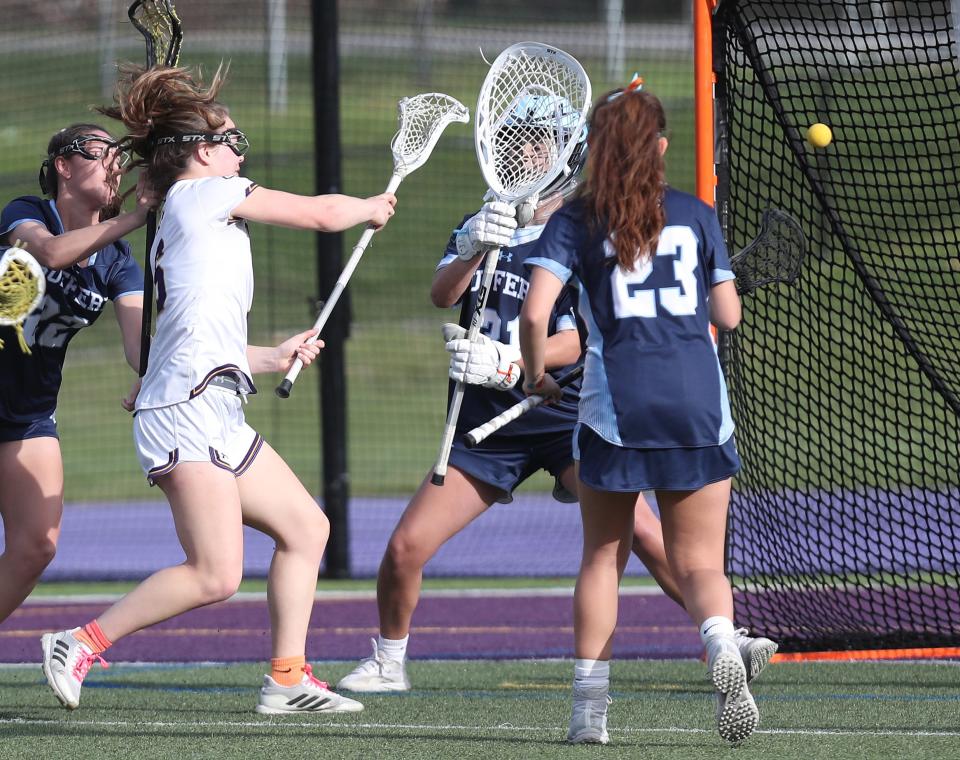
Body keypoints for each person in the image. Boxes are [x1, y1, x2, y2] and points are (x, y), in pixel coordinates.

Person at [335, 95, 774, 697]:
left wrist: (514, 361)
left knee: (644, 535)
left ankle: (723, 635)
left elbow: (579, 336)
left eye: (538, 138)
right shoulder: (486, 221)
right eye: (515, 136)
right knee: (407, 545)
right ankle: (389, 660)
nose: (524, 148)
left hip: (564, 414)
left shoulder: (587, 227)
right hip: (489, 423)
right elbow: (443, 295)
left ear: (569, 150)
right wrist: (469, 245)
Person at [39, 64, 396, 715]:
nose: (240, 154)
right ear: (202, 152)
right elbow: (319, 215)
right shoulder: (204, 196)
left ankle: (287, 678)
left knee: (306, 528)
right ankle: (78, 642)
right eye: (236, 142)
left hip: (214, 405)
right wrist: (369, 208)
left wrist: (272, 354)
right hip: (185, 414)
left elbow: (198, 339)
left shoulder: (194, 211)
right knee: (215, 573)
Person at [518, 79, 760, 746]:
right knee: (701, 564)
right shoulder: (695, 212)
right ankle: (720, 646)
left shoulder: (575, 219)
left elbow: (536, 312)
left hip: (615, 409)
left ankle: (588, 715)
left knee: (602, 555)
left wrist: (537, 374)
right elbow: (728, 315)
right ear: (659, 146)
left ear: (595, 149)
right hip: (696, 404)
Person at [0, 123, 153, 627]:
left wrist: (157, 374)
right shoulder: (27, 214)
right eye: (99, 150)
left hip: (26, 413)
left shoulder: (116, 261)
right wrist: (136, 215)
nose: (114, 161)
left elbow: (140, 350)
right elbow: (48, 254)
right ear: (63, 166)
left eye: (118, 154)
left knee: (36, 546)